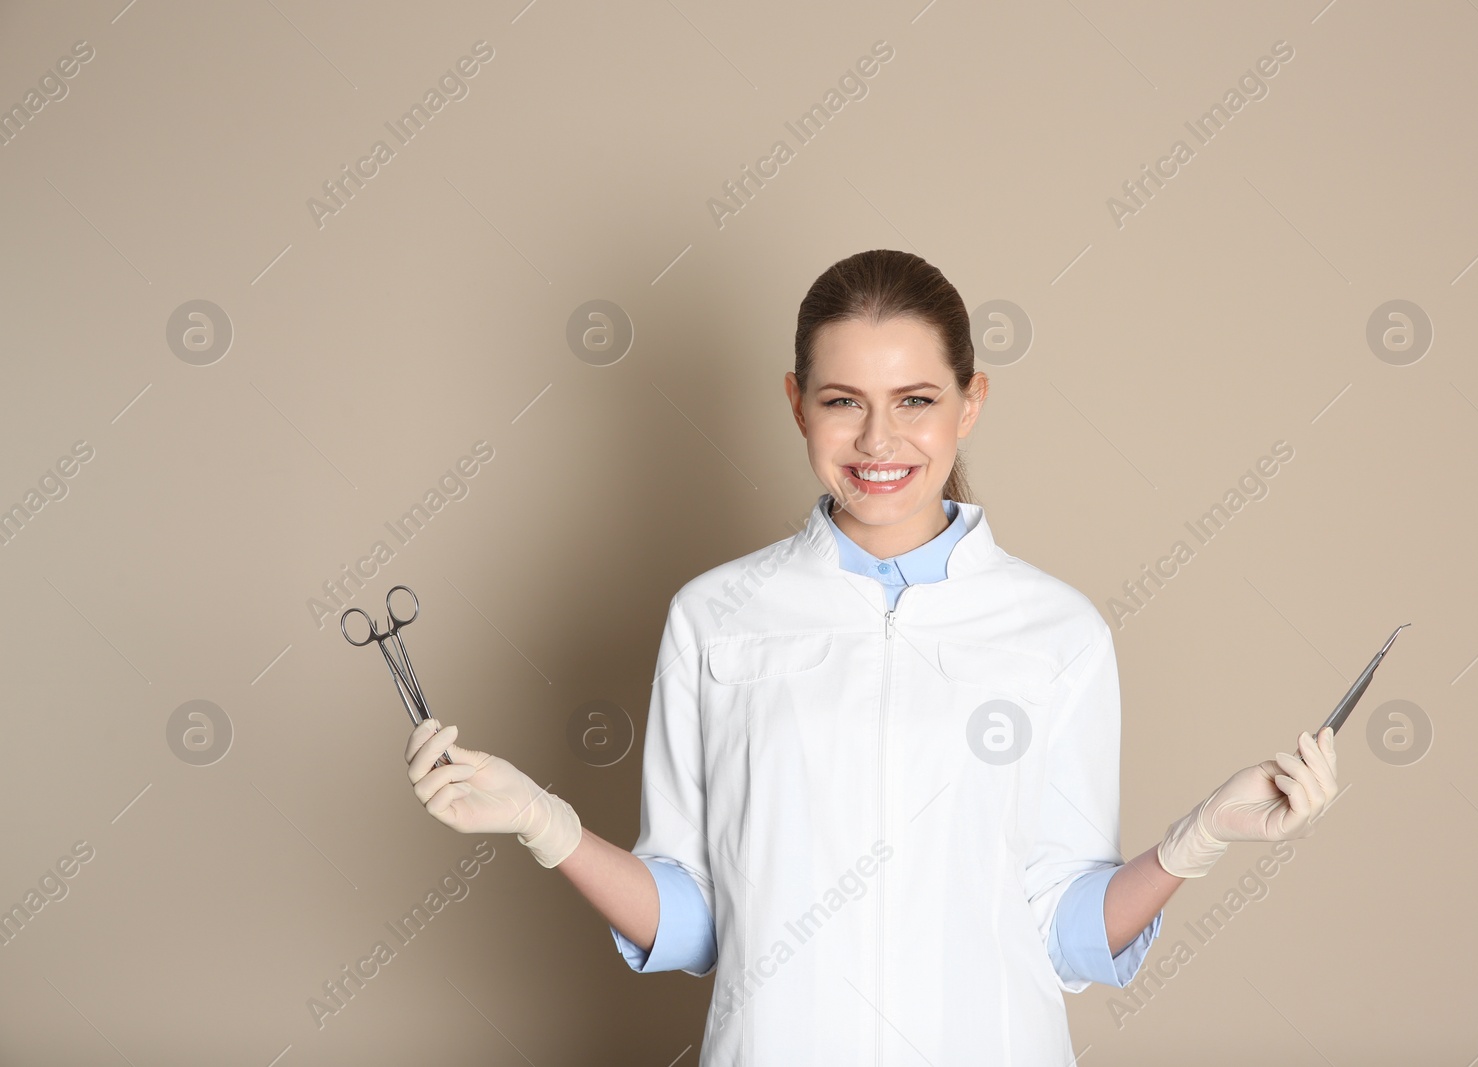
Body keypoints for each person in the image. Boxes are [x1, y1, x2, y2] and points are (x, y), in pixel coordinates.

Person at [403, 249, 1341, 1065]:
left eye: (916, 401)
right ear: (796, 403)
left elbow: (1064, 931)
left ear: (971, 403)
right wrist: (542, 821)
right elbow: (695, 923)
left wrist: (1201, 838)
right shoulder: (717, 619)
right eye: (843, 401)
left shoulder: (1058, 632)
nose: (879, 441)